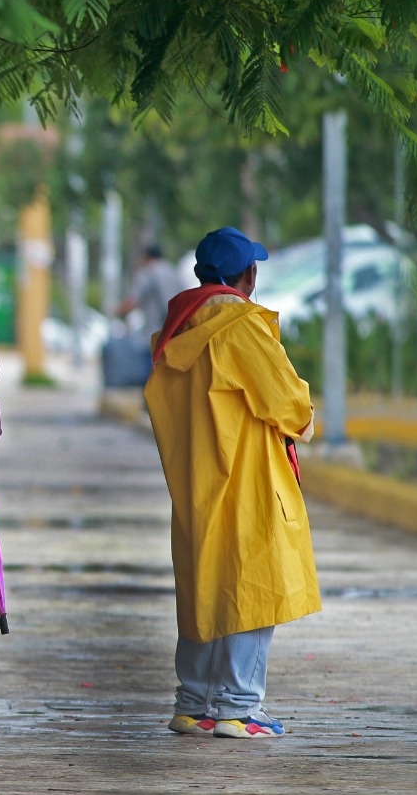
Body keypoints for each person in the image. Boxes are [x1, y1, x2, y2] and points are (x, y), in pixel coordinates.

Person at [143, 226, 319, 739]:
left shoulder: (176, 331)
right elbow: (288, 402)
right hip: (247, 480)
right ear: (248, 275)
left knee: (203, 588)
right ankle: (238, 708)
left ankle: (194, 703)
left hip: (196, 484)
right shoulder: (239, 325)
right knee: (251, 588)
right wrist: (306, 417)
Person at [116, 244, 188, 337]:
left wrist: (117, 311)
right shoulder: (173, 271)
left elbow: (133, 301)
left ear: (147, 257)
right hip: (176, 330)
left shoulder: (148, 272)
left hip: (155, 332)